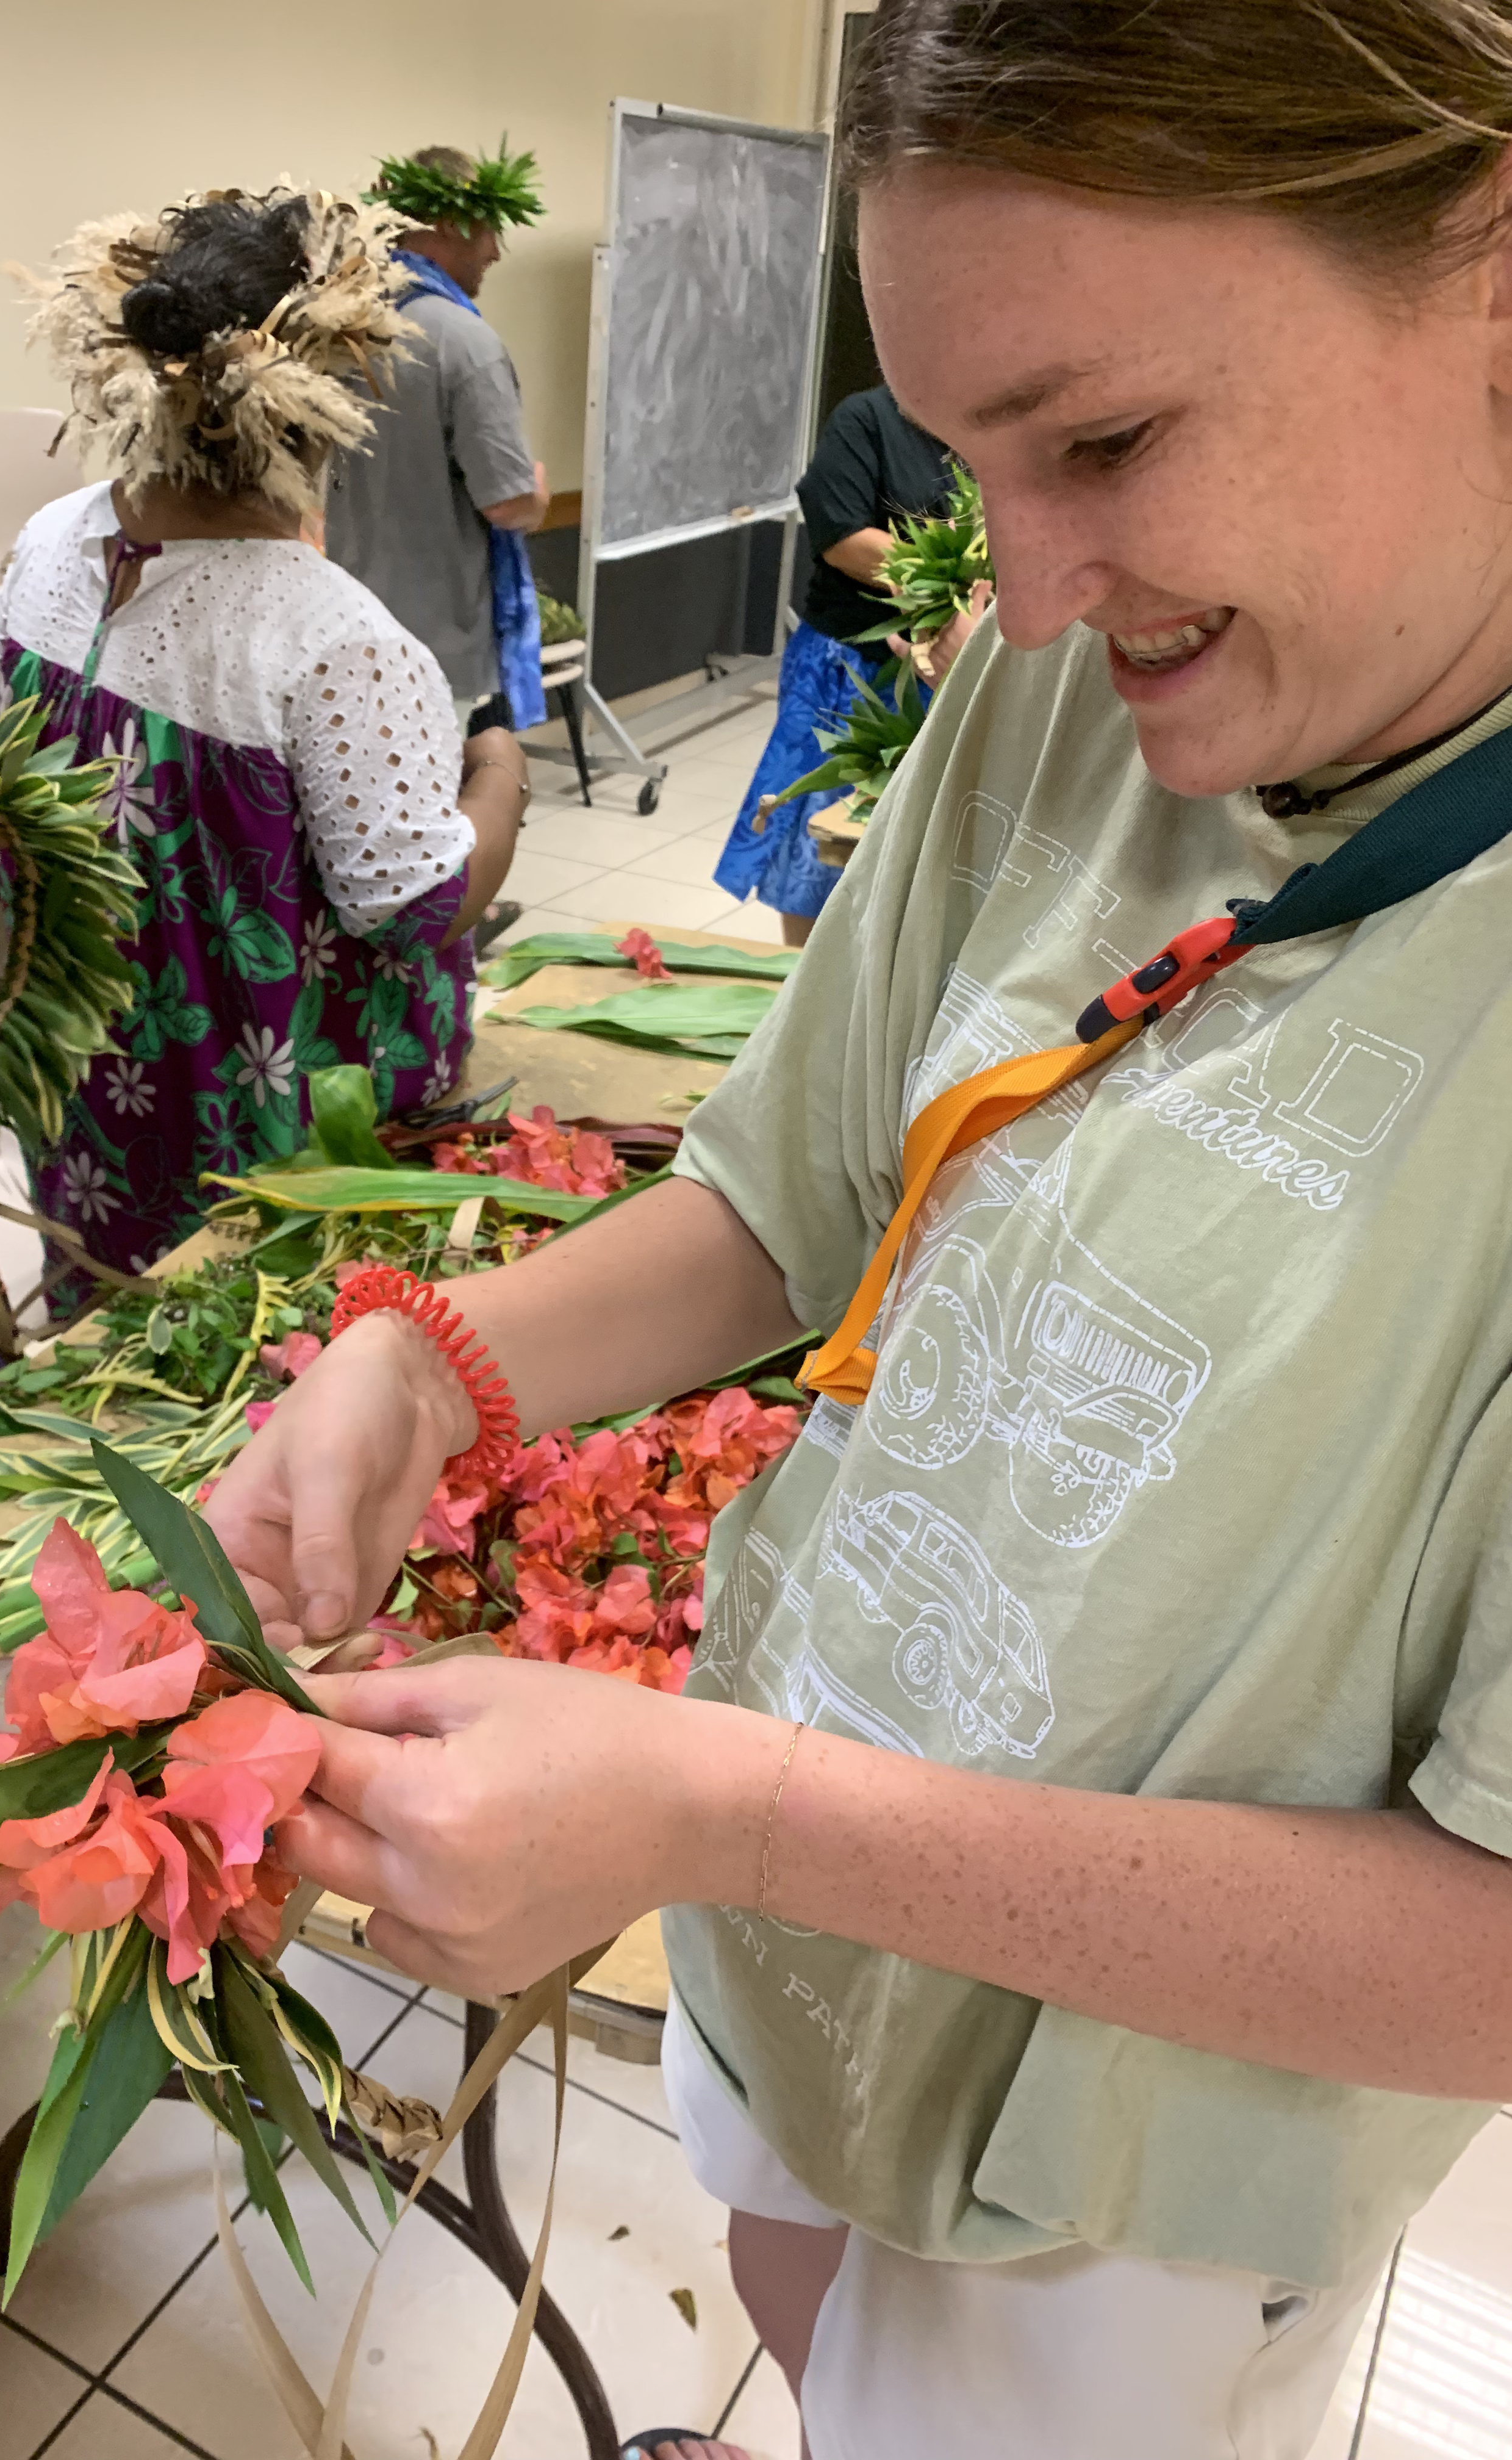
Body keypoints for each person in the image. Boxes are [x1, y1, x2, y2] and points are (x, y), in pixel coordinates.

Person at [206, 4, 1512, 2455]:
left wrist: (721, 1802)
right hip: (804, 1945)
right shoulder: (1074, 695)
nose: (1025, 597)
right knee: (813, 2319)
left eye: (1109, 442)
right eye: (971, 459)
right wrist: (433, 1362)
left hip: (1120, 2167)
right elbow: (797, 1199)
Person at [0, 184, 526, 1284]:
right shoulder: (330, 638)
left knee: (111, 1340)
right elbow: (409, 906)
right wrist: (499, 772)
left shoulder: (48, 544)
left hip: (90, 1088)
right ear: (338, 389)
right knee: (249, 1374)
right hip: (269, 1147)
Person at [715, 384, 952, 946]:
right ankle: (803, 978)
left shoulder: (994, 430)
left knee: (923, 847)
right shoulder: (867, 419)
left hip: (951, 666)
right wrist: (953, 573)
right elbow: (842, 535)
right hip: (848, 666)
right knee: (817, 846)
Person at [326, 145, 549, 738]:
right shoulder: (461, 342)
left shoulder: (336, 331)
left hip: (343, 633)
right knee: (447, 818)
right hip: (439, 659)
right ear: (452, 222)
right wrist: (540, 495)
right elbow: (507, 503)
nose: (496, 251)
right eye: (491, 230)